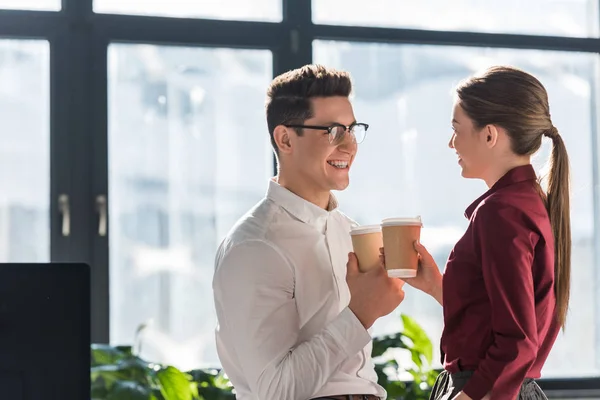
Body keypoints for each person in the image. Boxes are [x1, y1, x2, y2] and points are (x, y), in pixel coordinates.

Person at [212, 64, 405, 400]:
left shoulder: (351, 231)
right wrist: (361, 313)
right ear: (285, 138)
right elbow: (276, 391)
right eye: (332, 131)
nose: (349, 145)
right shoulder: (255, 246)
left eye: (352, 129)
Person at [383, 66, 571, 400]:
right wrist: (436, 286)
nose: (452, 142)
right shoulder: (530, 203)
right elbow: (504, 318)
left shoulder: (501, 212)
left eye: (457, 129)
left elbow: (517, 342)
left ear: (489, 135)